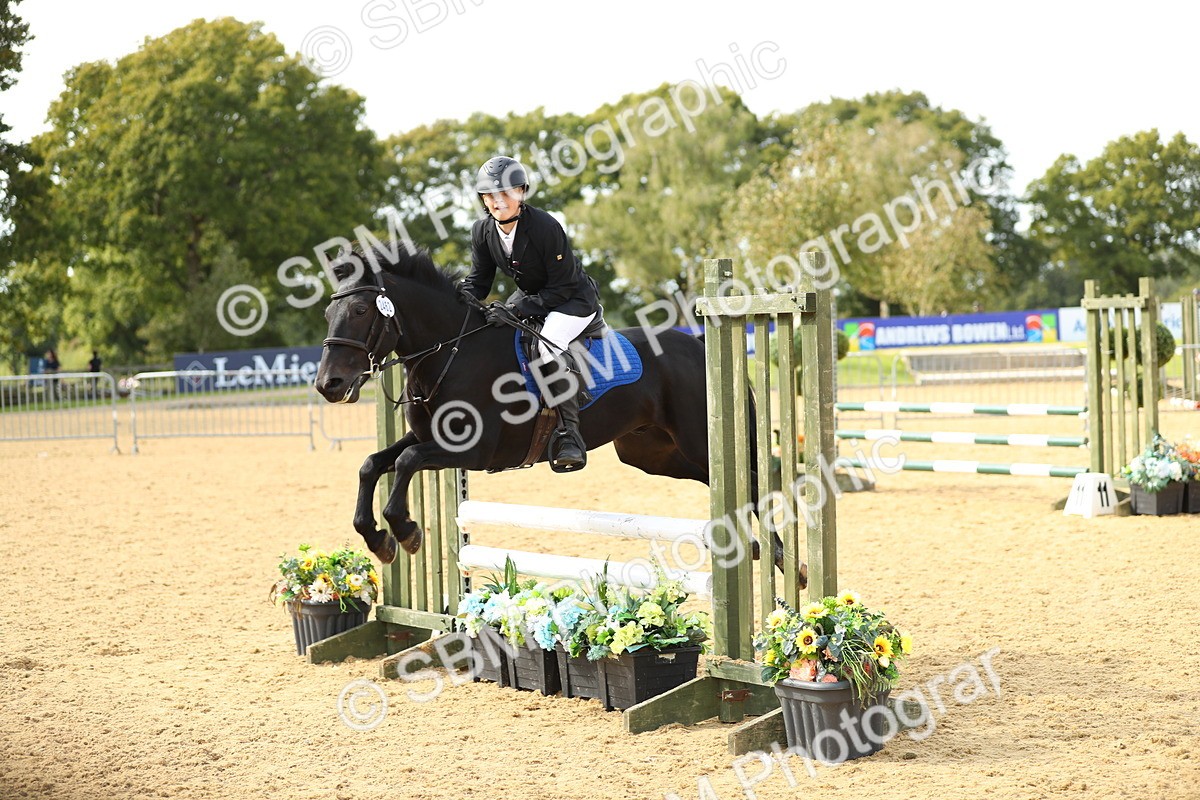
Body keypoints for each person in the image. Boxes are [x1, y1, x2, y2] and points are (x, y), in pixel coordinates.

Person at [457, 156, 601, 472]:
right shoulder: (482, 231)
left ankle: (570, 435)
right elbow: (479, 281)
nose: (498, 201)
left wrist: (514, 310)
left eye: (506, 192)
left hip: (572, 301)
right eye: (490, 195)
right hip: (533, 296)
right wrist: (454, 301)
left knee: (547, 345)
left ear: (521, 192)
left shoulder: (545, 227)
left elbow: (561, 287)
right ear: (483, 199)